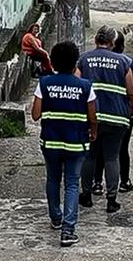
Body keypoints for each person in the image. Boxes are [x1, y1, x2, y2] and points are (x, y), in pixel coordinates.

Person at [31, 41, 98, 247]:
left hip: (50, 141)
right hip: (76, 143)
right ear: (75, 63)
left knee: (53, 179)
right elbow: (92, 117)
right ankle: (68, 230)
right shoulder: (85, 86)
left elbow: (35, 115)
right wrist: (93, 132)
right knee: (71, 183)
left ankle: (55, 217)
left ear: (52, 61)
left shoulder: (44, 83)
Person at [78, 26, 133, 213]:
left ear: (95, 40)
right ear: (113, 43)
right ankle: (111, 200)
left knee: (90, 156)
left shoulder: (84, 59)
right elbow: (132, 91)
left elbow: (78, 84)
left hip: (91, 116)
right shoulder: (123, 62)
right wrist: (132, 110)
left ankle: (86, 195)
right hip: (117, 117)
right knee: (112, 157)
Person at [95, 32, 133, 194]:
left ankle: (96, 184)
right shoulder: (128, 63)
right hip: (121, 113)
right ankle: (124, 181)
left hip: (97, 111)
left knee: (98, 149)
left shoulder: (93, 61)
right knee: (121, 149)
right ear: (121, 46)